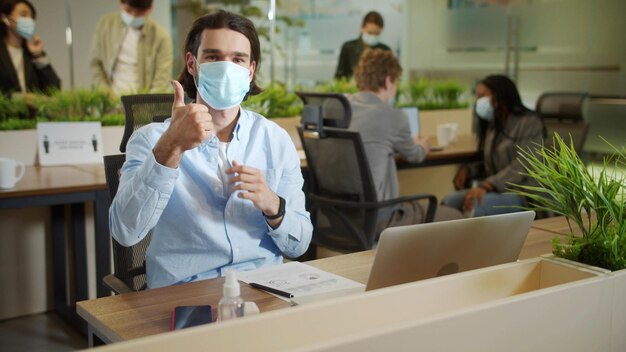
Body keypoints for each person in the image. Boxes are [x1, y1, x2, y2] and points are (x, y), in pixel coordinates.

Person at [109, 10, 312, 289]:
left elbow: (299, 245)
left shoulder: (274, 140)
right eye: (213, 57)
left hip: (262, 289)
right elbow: (125, 232)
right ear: (192, 63)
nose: (227, 67)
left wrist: (273, 206)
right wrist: (172, 147)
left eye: (238, 59)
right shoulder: (151, 139)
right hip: (185, 293)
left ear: (250, 70)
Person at [347, 49, 462, 232]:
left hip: (340, 216)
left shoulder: (341, 108)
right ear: (388, 80)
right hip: (379, 217)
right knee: (454, 217)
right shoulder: (392, 115)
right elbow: (414, 155)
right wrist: (422, 146)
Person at [442, 74, 544, 217]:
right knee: (450, 201)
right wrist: (468, 170)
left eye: (482, 96)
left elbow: (523, 165)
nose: (478, 101)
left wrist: (487, 185)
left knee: (474, 206)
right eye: (476, 96)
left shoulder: (529, 123)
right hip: (497, 189)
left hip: (524, 194)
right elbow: (492, 163)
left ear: (499, 96)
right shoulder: (494, 125)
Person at [90, 0, 172, 95]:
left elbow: (161, 80)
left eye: (139, 13)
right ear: (121, 3)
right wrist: (105, 93)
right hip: (110, 102)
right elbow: (95, 63)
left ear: (150, 9)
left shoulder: (161, 37)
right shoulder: (105, 25)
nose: (133, 16)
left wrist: (145, 106)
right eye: (129, 10)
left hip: (141, 104)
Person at [0, 0, 60, 96]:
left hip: (32, 111)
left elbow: (54, 89)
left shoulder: (31, 53)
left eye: (32, 17)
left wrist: (38, 55)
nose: (30, 20)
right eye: (23, 15)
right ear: (5, 18)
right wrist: (19, 99)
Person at [334, 11, 391, 80]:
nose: (373, 36)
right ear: (362, 28)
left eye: (377, 34)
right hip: (352, 89)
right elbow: (339, 76)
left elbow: (390, 78)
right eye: (370, 33)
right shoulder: (348, 48)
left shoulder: (385, 51)